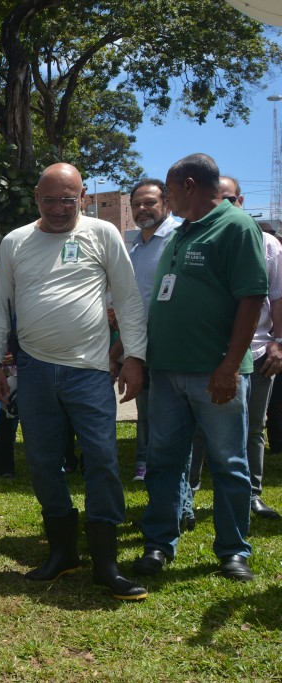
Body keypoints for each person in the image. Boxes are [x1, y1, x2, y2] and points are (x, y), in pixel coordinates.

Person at [0, 162, 149, 602]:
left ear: (83, 195)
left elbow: (129, 299)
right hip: (34, 371)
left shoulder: (103, 234)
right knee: (41, 462)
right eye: (50, 199)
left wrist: (134, 358)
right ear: (36, 197)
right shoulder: (16, 242)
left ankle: (106, 563)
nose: (59, 208)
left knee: (102, 460)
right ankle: (62, 553)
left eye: (68, 199)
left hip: (92, 371)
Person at [134, 154, 267, 583]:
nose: (167, 200)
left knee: (228, 463)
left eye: (170, 191)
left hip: (215, 372)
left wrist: (230, 367)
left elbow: (251, 299)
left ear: (189, 185)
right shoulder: (183, 232)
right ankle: (159, 543)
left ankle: (232, 551)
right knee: (164, 460)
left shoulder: (236, 226)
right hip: (167, 370)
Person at [186, 176, 282, 522]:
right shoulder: (202, 238)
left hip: (257, 354)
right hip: (212, 354)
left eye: (231, 200)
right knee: (197, 428)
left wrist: (279, 343)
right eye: (219, 199)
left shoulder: (268, 244)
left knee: (254, 427)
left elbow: (276, 299)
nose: (224, 207)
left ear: (240, 200)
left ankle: (252, 495)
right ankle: (189, 494)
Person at [123, 178, 181, 482]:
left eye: (150, 202)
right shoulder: (135, 248)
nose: (142, 208)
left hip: (173, 345)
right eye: (136, 204)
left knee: (173, 414)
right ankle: (144, 464)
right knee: (144, 410)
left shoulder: (180, 238)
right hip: (141, 346)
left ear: (167, 204)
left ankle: (173, 470)